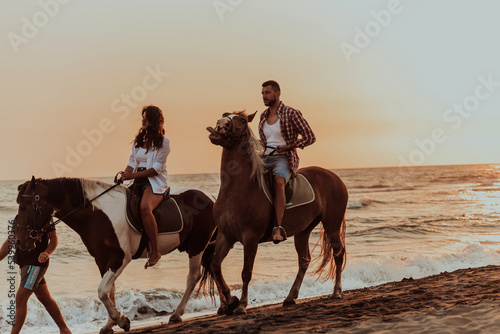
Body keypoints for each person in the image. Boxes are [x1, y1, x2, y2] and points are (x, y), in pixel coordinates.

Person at [258, 80, 316, 243]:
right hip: (264, 157)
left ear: (277, 93)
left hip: (284, 158)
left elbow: (310, 137)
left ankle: (278, 227)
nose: (264, 96)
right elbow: (264, 140)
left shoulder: (292, 113)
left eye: (267, 92)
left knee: (278, 182)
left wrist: (289, 146)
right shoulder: (263, 116)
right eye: (262, 93)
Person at [0, 219, 72, 334]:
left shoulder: (44, 217)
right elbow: (11, 241)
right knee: (44, 298)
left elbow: (53, 238)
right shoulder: (20, 216)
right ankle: (65, 330)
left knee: (20, 299)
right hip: (25, 265)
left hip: (35, 264)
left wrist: (47, 252)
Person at [120, 105, 170, 268]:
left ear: (154, 121)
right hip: (138, 181)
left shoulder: (164, 142)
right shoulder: (138, 142)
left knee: (144, 208)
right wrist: (123, 176)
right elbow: (131, 163)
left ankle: (155, 251)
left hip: (154, 183)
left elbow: (156, 169)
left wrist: (132, 175)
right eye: (143, 117)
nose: (143, 120)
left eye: (146, 118)